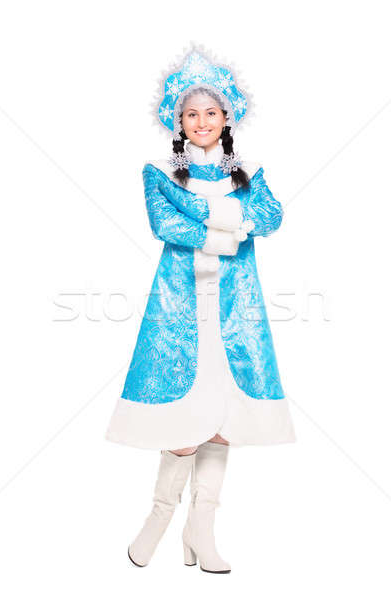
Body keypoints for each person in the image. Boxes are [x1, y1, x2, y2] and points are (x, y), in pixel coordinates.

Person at [105, 44, 296, 574]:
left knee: (222, 420)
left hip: (236, 309)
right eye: (192, 113)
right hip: (181, 306)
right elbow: (167, 226)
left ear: (227, 117)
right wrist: (235, 226)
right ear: (178, 120)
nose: (202, 121)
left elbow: (272, 214)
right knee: (183, 421)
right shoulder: (159, 170)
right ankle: (160, 517)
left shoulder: (250, 169)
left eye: (212, 112)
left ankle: (201, 529)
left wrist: (221, 217)